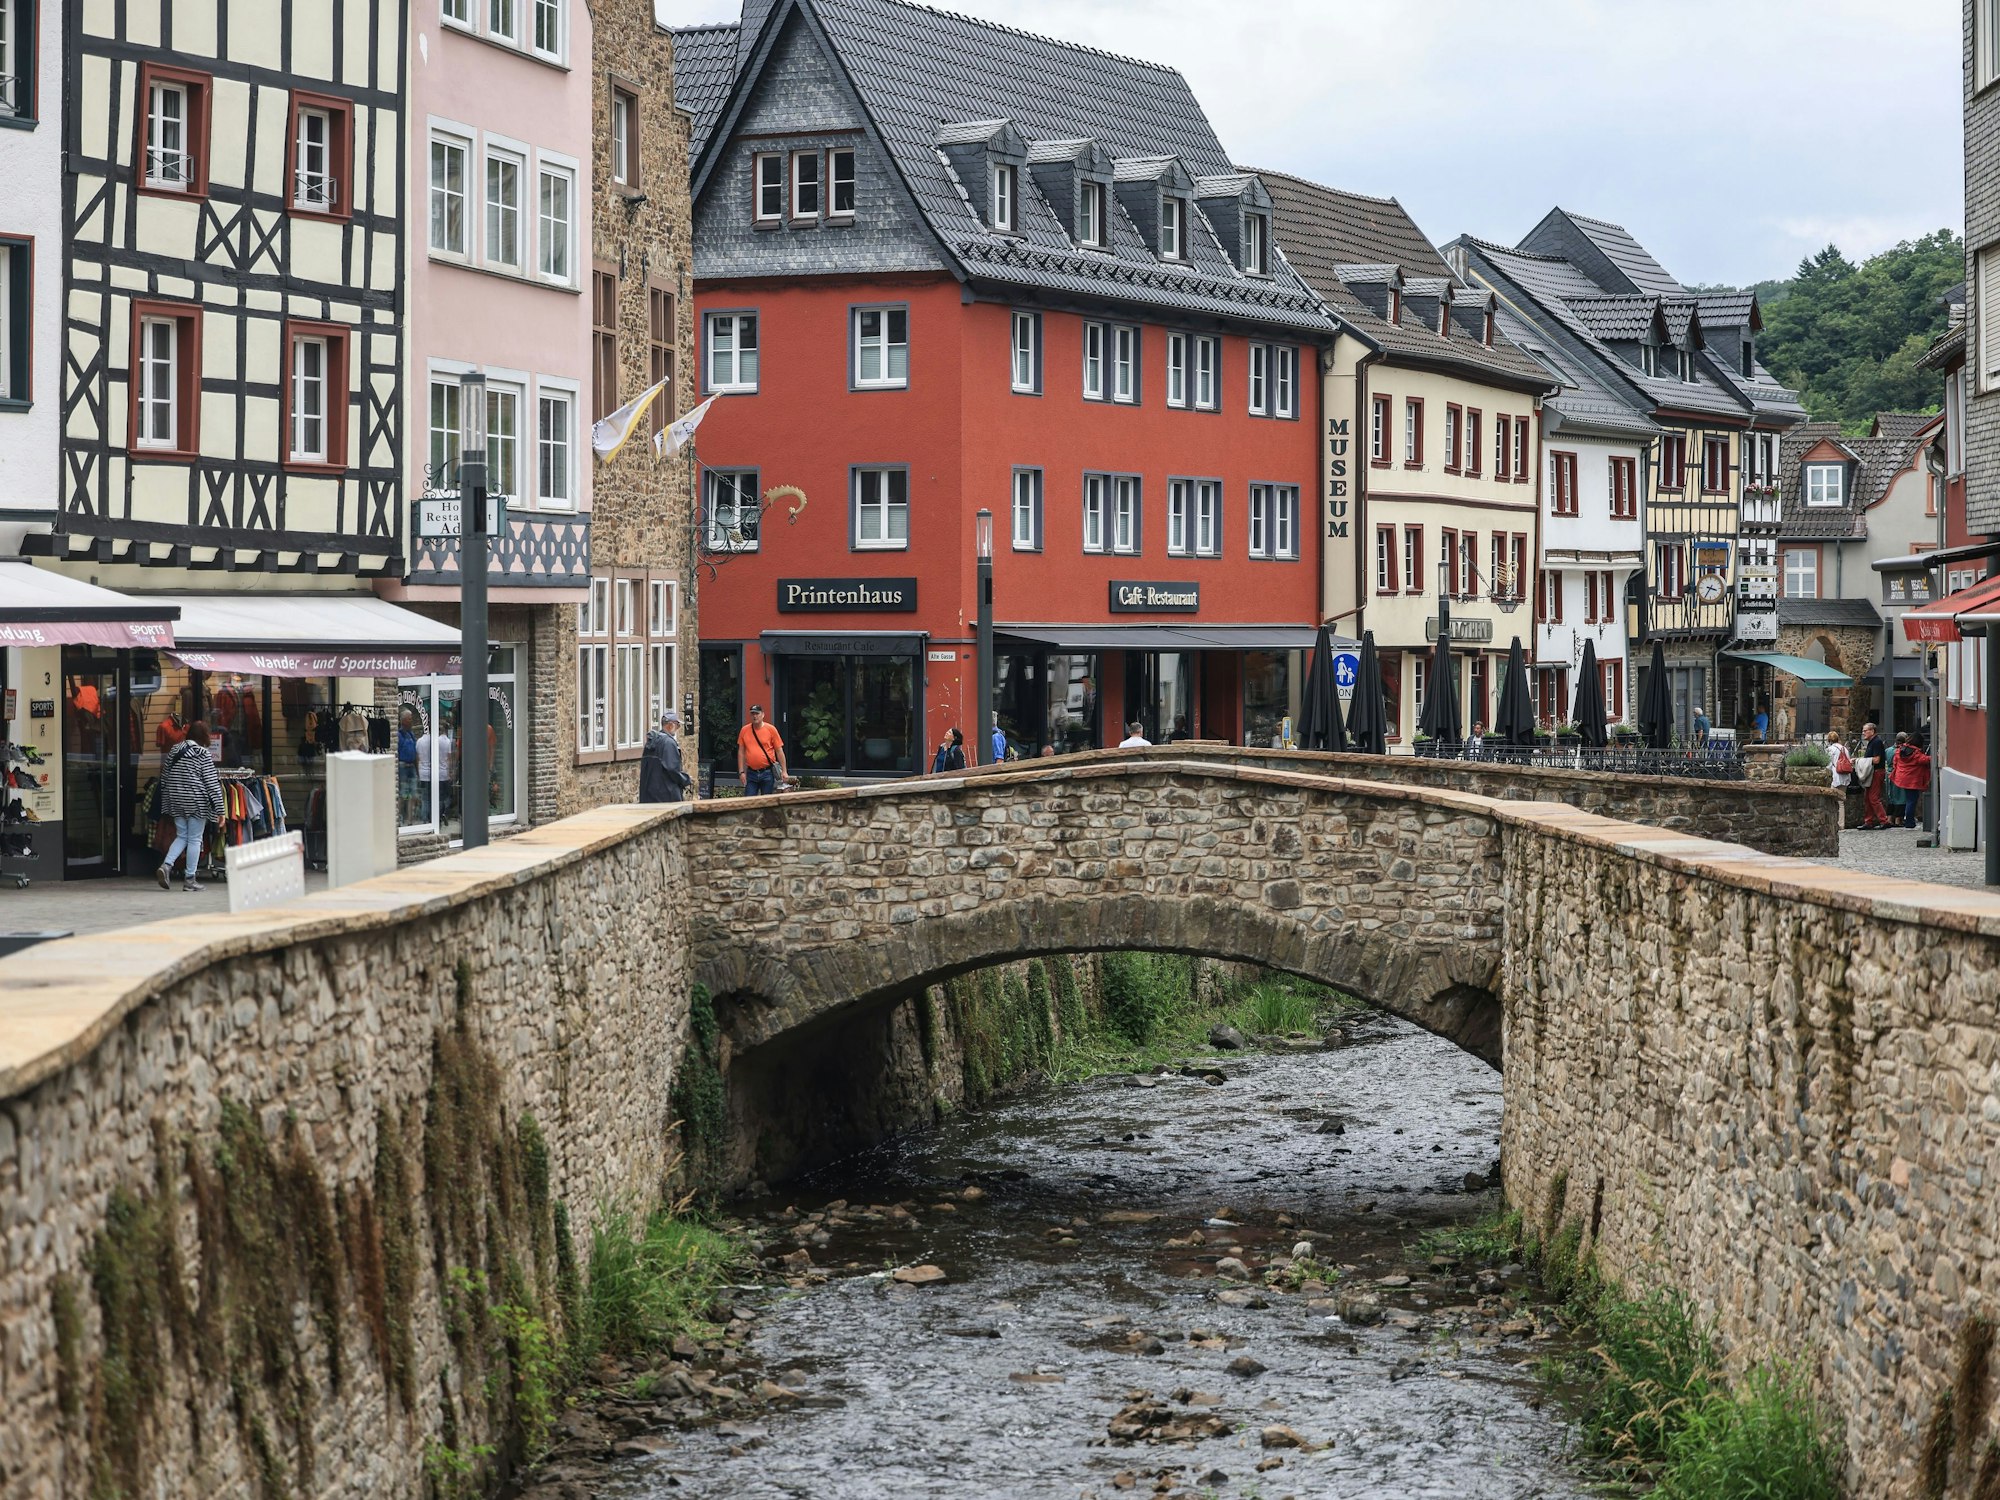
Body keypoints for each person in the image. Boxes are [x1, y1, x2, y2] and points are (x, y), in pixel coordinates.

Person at [156, 720, 224, 892]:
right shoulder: (202, 753)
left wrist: (167, 799)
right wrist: (220, 809)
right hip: (196, 801)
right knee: (195, 839)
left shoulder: (174, 750)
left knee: (182, 836)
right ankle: (190, 879)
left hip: (176, 799)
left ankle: (167, 865)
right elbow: (211, 783)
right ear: (204, 736)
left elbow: (164, 776)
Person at [639, 710, 692, 804]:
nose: (678, 728)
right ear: (671, 725)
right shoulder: (668, 743)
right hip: (667, 796)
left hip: (649, 796)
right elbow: (672, 770)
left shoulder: (651, 742)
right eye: (677, 725)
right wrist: (686, 779)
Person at [738, 704, 788, 796]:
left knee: (766, 800)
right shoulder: (744, 730)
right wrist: (741, 772)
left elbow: (779, 751)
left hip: (767, 772)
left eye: (757, 713)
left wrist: (784, 771)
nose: (755, 716)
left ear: (763, 715)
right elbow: (741, 752)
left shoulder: (771, 729)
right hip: (751, 772)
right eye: (752, 714)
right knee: (749, 800)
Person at [1891, 731, 1932, 829]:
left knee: (1908, 800)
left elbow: (1895, 762)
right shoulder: (1916, 753)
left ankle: (1908, 820)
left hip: (1901, 779)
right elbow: (1924, 759)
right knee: (1912, 801)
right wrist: (1936, 756)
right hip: (1912, 780)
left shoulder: (1900, 750)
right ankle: (1909, 822)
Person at [416, 714, 452, 824]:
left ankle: (425, 820)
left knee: (425, 798)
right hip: (435, 773)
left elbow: (417, 758)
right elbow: (447, 758)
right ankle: (437, 816)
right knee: (439, 797)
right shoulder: (436, 742)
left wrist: (418, 772)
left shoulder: (419, 741)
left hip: (423, 773)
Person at [396, 710, 420, 823]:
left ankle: (410, 820)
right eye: (410, 719)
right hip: (403, 767)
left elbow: (415, 753)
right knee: (403, 794)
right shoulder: (399, 735)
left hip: (411, 767)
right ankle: (399, 819)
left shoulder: (411, 734)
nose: (411, 721)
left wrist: (417, 770)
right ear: (403, 721)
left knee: (413, 794)